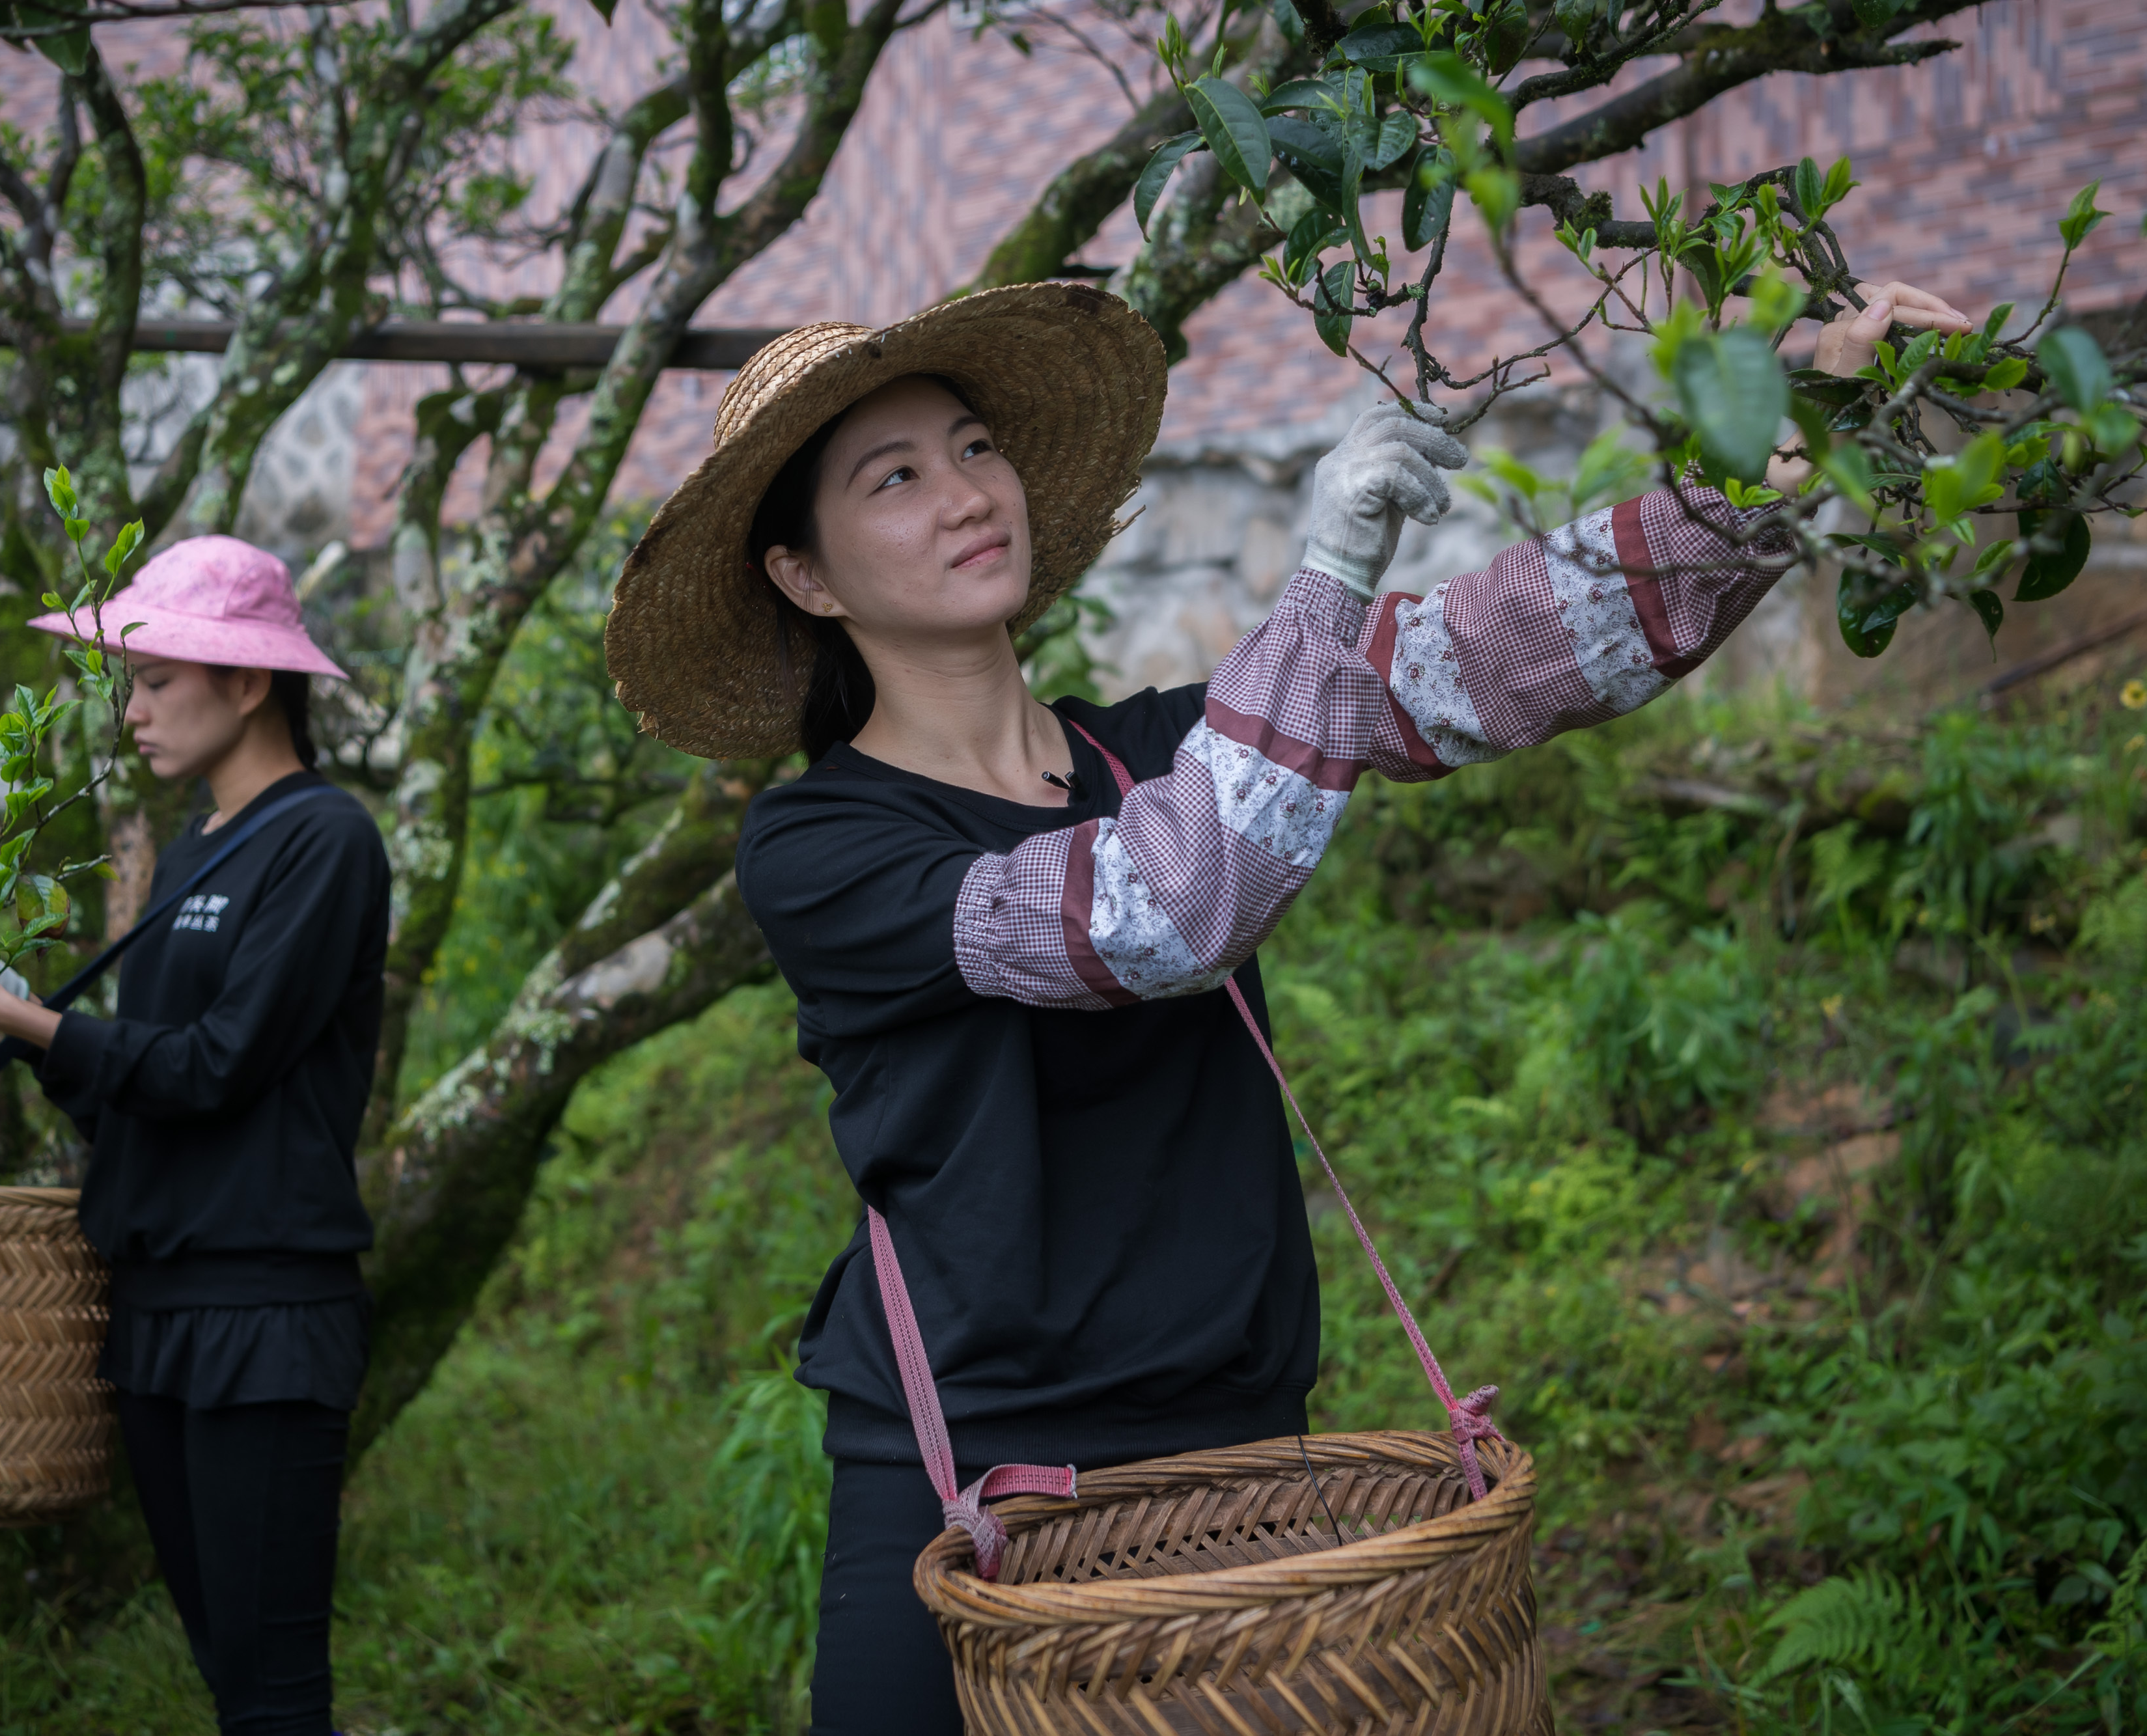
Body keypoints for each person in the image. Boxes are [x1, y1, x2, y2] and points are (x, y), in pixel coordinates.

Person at [603, 277, 1968, 1733]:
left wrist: (1776, 440)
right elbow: (1153, 911)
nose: (961, 492)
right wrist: (1320, 572)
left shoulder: (1163, 746)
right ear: (806, 577)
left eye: (971, 446)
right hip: (967, 1479)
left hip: (1231, 1450)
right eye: (893, 477)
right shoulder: (821, 845)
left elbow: (1484, 660)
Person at [0, 534, 391, 1736]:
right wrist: (8, 1016)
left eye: (157, 678)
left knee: (273, 1697)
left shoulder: (324, 839)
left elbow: (218, 1068)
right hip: (158, 1305)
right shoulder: (190, 854)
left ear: (250, 681)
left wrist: (18, 1013)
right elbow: (138, 1086)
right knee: (226, 1673)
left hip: (266, 1312)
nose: (134, 712)